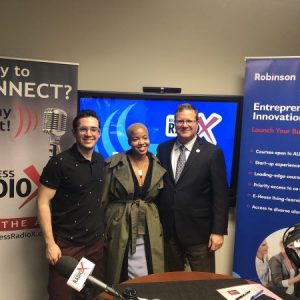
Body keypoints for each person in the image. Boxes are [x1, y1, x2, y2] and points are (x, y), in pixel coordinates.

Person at [37, 110, 106, 300]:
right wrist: (50, 244)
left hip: (93, 245)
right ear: (74, 133)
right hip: (67, 247)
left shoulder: (101, 161)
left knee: (83, 292)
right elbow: (43, 202)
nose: (89, 134)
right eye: (83, 129)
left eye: (93, 129)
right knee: (61, 295)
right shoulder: (59, 162)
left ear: (99, 133)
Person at [156, 103, 229, 272]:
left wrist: (218, 231)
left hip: (199, 233)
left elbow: (221, 196)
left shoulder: (212, 152)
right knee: (171, 281)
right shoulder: (163, 149)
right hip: (169, 231)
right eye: (180, 121)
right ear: (175, 123)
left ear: (197, 123)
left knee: (203, 283)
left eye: (189, 121)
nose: (185, 125)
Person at [102, 123, 166, 285]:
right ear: (129, 141)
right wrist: (102, 229)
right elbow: (103, 199)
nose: (141, 142)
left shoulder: (158, 164)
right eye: (136, 139)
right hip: (120, 224)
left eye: (145, 138)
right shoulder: (114, 164)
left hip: (149, 224)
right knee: (119, 268)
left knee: (149, 267)